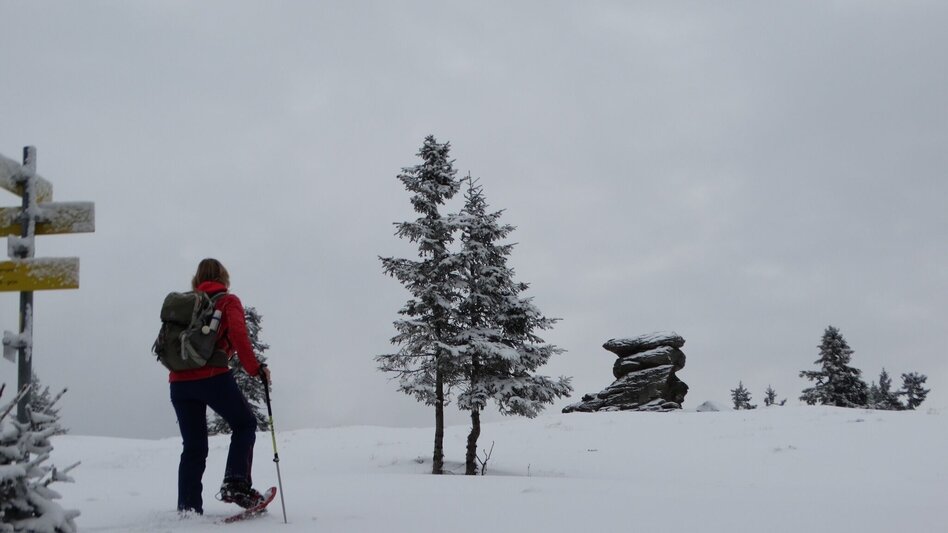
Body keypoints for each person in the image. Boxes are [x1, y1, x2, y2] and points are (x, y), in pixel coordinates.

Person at [169, 258, 272, 515]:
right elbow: (238, 333)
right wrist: (255, 368)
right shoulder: (227, 301)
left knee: (193, 446)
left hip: (179, 382)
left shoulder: (187, 306)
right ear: (223, 277)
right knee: (245, 424)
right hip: (212, 376)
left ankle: (188, 508)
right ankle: (236, 483)